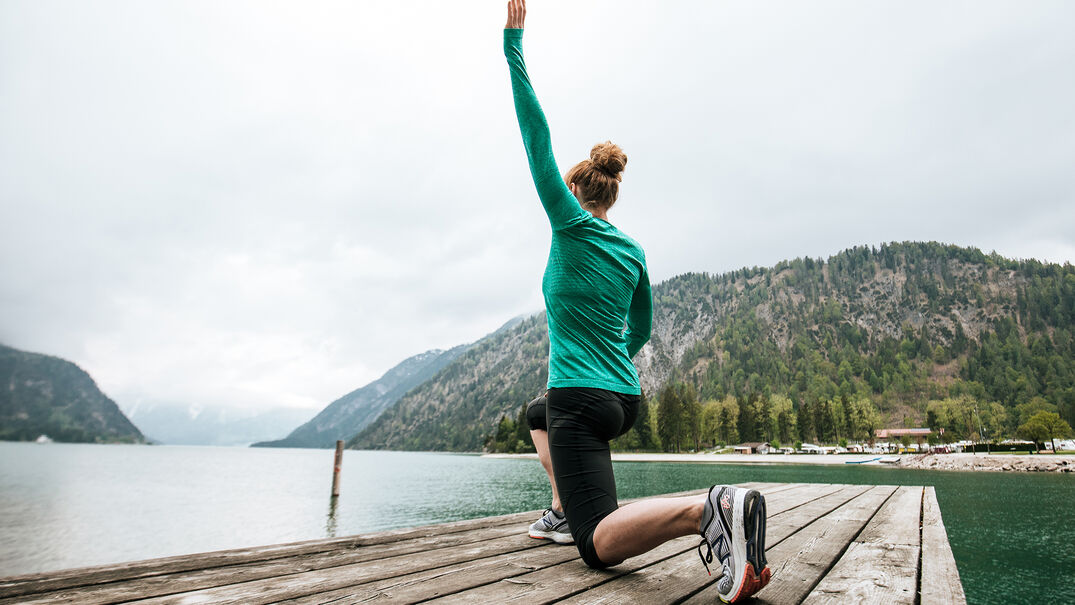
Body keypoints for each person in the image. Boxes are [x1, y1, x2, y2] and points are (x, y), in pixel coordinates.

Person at [503, 1, 770, 601]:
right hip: (623, 398)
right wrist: (611, 358)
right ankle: (561, 508)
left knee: (596, 543)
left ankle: (707, 510)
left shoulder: (567, 222)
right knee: (536, 413)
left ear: (575, 188)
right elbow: (642, 328)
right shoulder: (634, 251)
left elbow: (534, 133)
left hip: (581, 397)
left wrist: (513, 45)